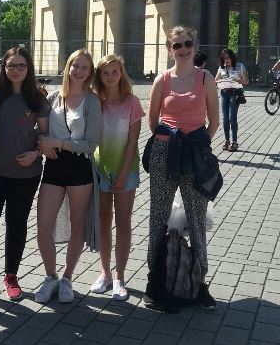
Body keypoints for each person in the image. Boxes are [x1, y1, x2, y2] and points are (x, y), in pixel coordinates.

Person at [144, 26, 220, 311]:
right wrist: (169, 142)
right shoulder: (162, 80)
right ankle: (155, 280)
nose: (183, 49)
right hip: (165, 153)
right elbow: (153, 120)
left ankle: (199, 284)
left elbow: (214, 121)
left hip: (195, 155)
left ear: (194, 45)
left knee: (197, 219)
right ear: (169, 49)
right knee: (158, 217)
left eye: (187, 43)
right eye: (177, 45)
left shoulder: (206, 78)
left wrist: (197, 146)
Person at [0, 47, 50, 304]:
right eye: (11, 65)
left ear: (29, 68)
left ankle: (11, 277)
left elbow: (44, 135)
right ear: (3, 68)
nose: (15, 70)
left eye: (21, 65)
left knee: (16, 225)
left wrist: (36, 154)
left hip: (26, 175)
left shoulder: (37, 97)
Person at [35, 49, 101, 303]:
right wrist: (42, 142)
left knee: (77, 224)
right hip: (54, 166)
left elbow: (91, 144)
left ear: (90, 73)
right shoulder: (53, 97)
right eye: (76, 65)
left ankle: (67, 278)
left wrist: (58, 143)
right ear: (68, 67)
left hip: (79, 167)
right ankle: (50, 276)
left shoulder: (92, 102)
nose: (79, 71)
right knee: (43, 226)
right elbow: (40, 130)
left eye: (85, 67)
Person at [90, 55, 144, 301]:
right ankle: (105, 273)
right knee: (103, 223)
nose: (110, 76)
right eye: (105, 72)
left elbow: (133, 142)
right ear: (99, 76)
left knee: (123, 223)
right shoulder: (95, 102)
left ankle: (120, 276)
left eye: (115, 71)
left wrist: (123, 175)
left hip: (126, 171)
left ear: (121, 73)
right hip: (100, 170)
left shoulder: (132, 102)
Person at [215, 48, 248, 152]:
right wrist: (221, 80)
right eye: (224, 58)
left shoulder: (239, 66)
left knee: (232, 118)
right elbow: (216, 80)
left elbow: (246, 81)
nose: (226, 60)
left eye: (228, 58)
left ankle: (234, 141)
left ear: (232, 57)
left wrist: (240, 80)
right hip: (224, 93)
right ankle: (227, 140)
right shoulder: (221, 67)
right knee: (225, 119)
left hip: (234, 93)